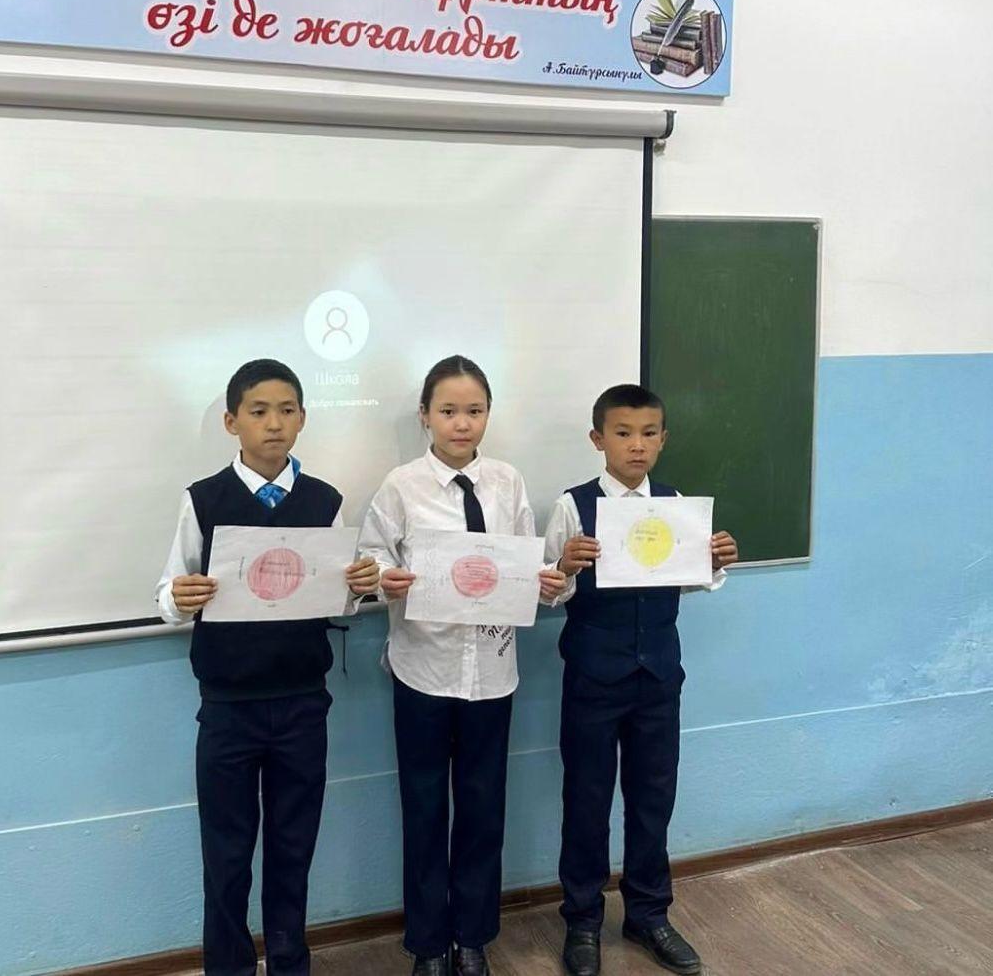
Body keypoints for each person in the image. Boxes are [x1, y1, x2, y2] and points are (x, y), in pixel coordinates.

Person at [155, 359, 380, 976]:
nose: (274, 424)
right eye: (258, 412)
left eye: (286, 411)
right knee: (226, 855)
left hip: (303, 701)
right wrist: (178, 598)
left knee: (292, 846)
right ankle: (229, 966)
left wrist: (359, 585)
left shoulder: (325, 501)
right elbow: (169, 591)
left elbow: (338, 596)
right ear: (233, 422)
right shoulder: (204, 499)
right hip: (228, 707)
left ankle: (288, 961)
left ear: (303, 418)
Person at [358, 355, 567, 976]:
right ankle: (427, 944)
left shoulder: (507, 482)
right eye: (448, 411)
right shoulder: (401, 486)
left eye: (474, 411)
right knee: (424, 809)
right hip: (423, 668)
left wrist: (550, 581)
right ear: (425, 415)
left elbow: (527, 564)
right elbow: (370, 560)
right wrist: (384, 579)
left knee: (482, 808)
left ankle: (472, 937)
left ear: (488, 415)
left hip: (493, 674)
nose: (462, 423)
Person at [544, 384, 738, 976]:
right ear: (598, 439)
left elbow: (687, 577)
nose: (637, 445)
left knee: (654, 797)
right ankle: (582, 919)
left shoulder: (676, 505)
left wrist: (714, 560)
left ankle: (649, 914)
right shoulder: (573, 505)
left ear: (663, 440)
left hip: (658, 677)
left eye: (649, 434)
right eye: (623, 433)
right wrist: (564, 567)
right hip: (593, 677)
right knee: (586, 799)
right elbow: (549, 589)